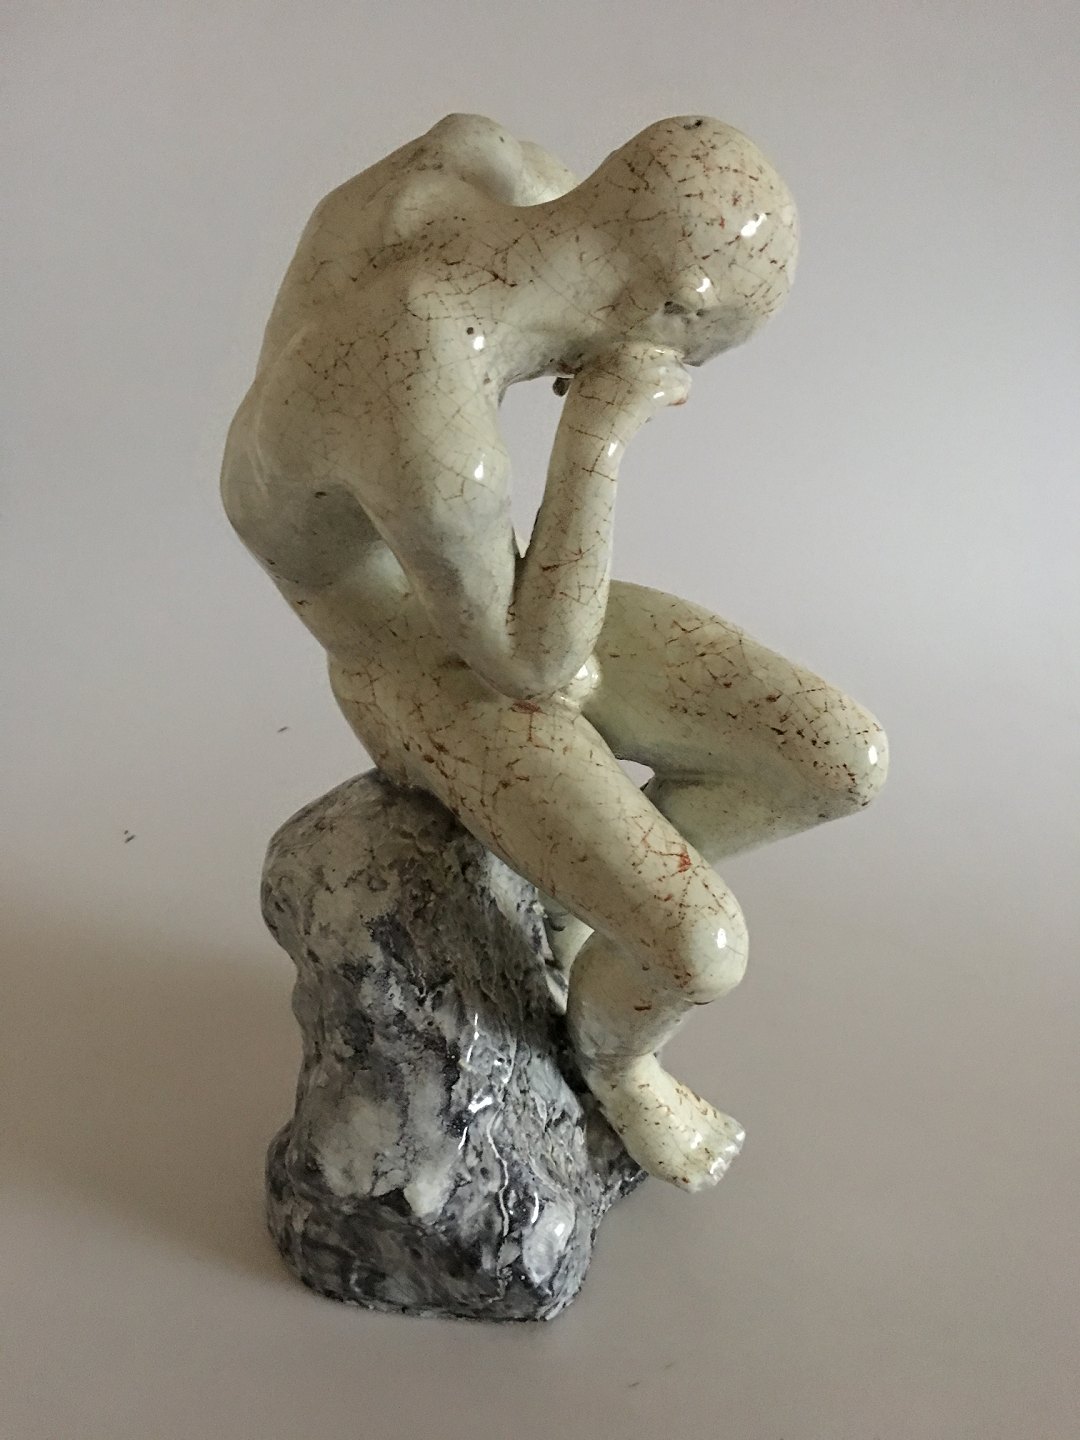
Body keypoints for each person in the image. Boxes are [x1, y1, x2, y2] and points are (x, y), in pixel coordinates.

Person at [222, 113, 888, 1191]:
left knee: (838, 759)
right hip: (407, 657)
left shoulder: (478, 165)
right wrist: (599, 434)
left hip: (485, 584)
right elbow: (532, 666)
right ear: (673, 311)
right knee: (701, 953)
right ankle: (617, 1062)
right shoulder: (434, 427)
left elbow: (602, 246)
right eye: (692, 357)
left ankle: (572, 911)